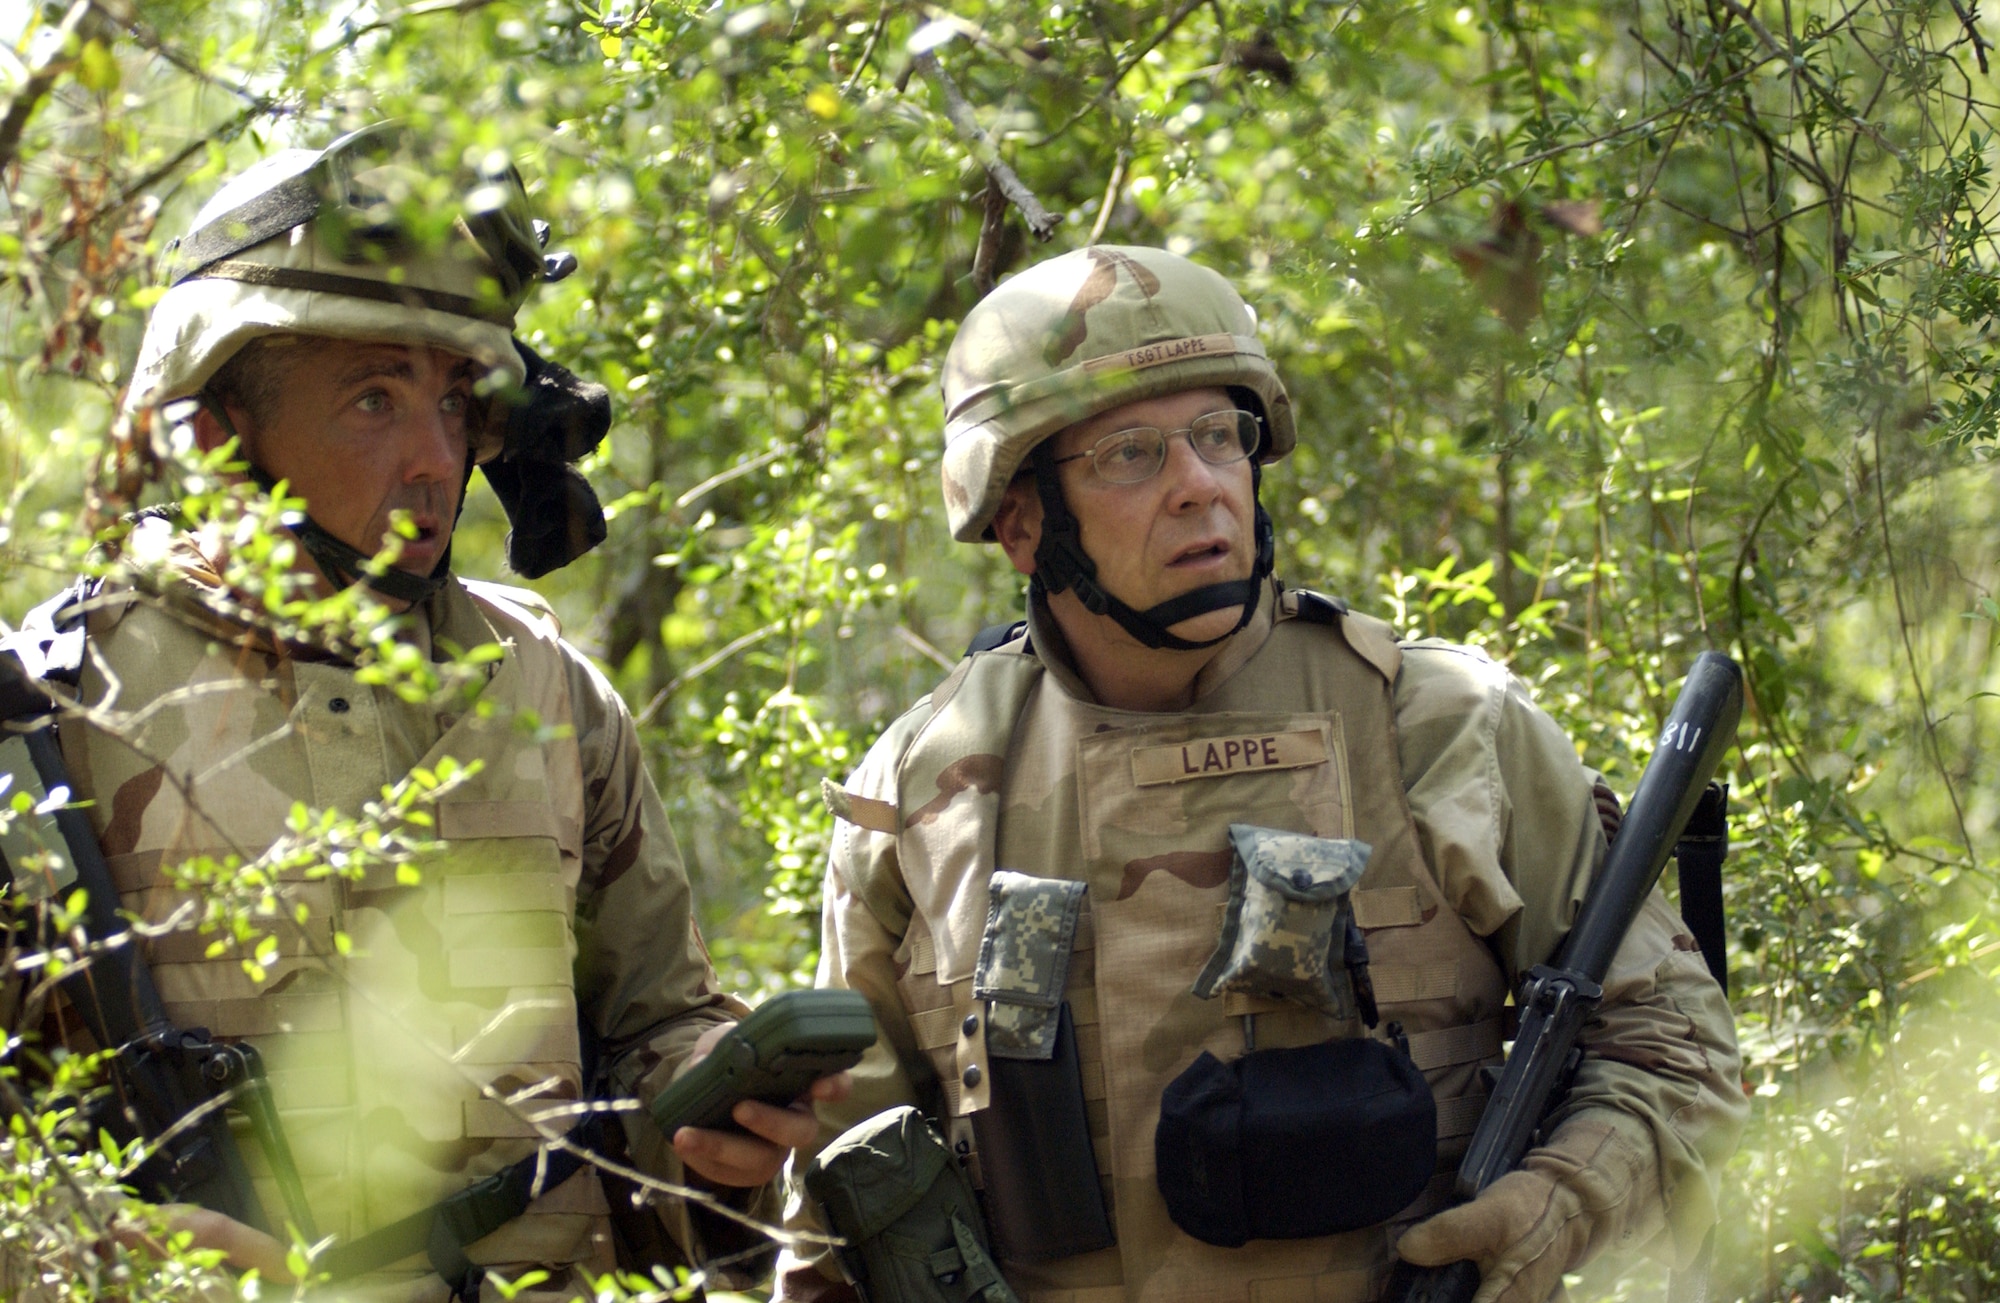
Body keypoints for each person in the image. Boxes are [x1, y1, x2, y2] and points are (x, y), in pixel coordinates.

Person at [777, 245, 1746, 1303]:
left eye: (1217, 438)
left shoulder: (1432, 725)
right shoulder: (922, 796)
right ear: (1020, 523)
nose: (1196, 487)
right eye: (1130, 455)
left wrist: (1555, 1202)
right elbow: (845, 1189)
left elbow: (1671, 1046)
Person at [2, 125, 843, 1301]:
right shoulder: (51, 707)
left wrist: (712, 1107)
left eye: (455, 404)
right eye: (373, 401)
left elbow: (655, 1021)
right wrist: (123, 1253)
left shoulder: (544, 685)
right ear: (219, 428)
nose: (433, 461)